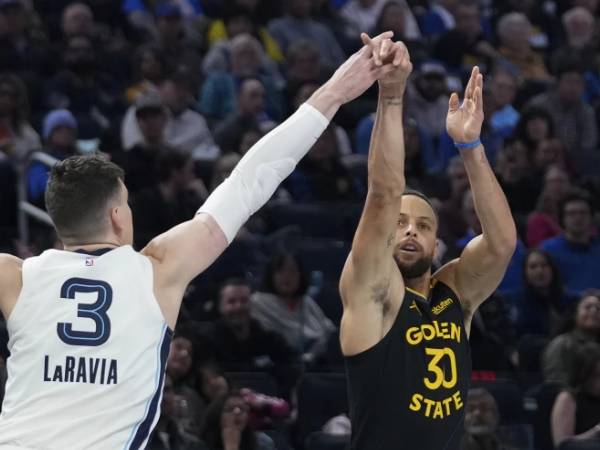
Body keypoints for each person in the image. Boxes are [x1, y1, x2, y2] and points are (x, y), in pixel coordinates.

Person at [0, 31, 397, 449]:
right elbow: (248, 182)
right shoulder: (158, 271)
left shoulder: (15, 278)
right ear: (118, 216)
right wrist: (334, 91)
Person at [339, 36, 517, 450]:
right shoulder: (371, 291)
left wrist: (470, 147)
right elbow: (383, 193)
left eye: (423, 225)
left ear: (438, 244)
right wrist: (392, 94)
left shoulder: (453, 292)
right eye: (400, 223)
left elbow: (503, 242)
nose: (411, 231)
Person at [542, 290, 600, 384]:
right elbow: (555, 382)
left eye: (598, 308)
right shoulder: (561, 344)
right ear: (575, 315)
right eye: (587, 307)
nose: (593, 311)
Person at [551, 343, 600, 447]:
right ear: (582, 376)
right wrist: (596, 431)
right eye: (597, 376)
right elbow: (562, 444)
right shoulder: (567, 399)